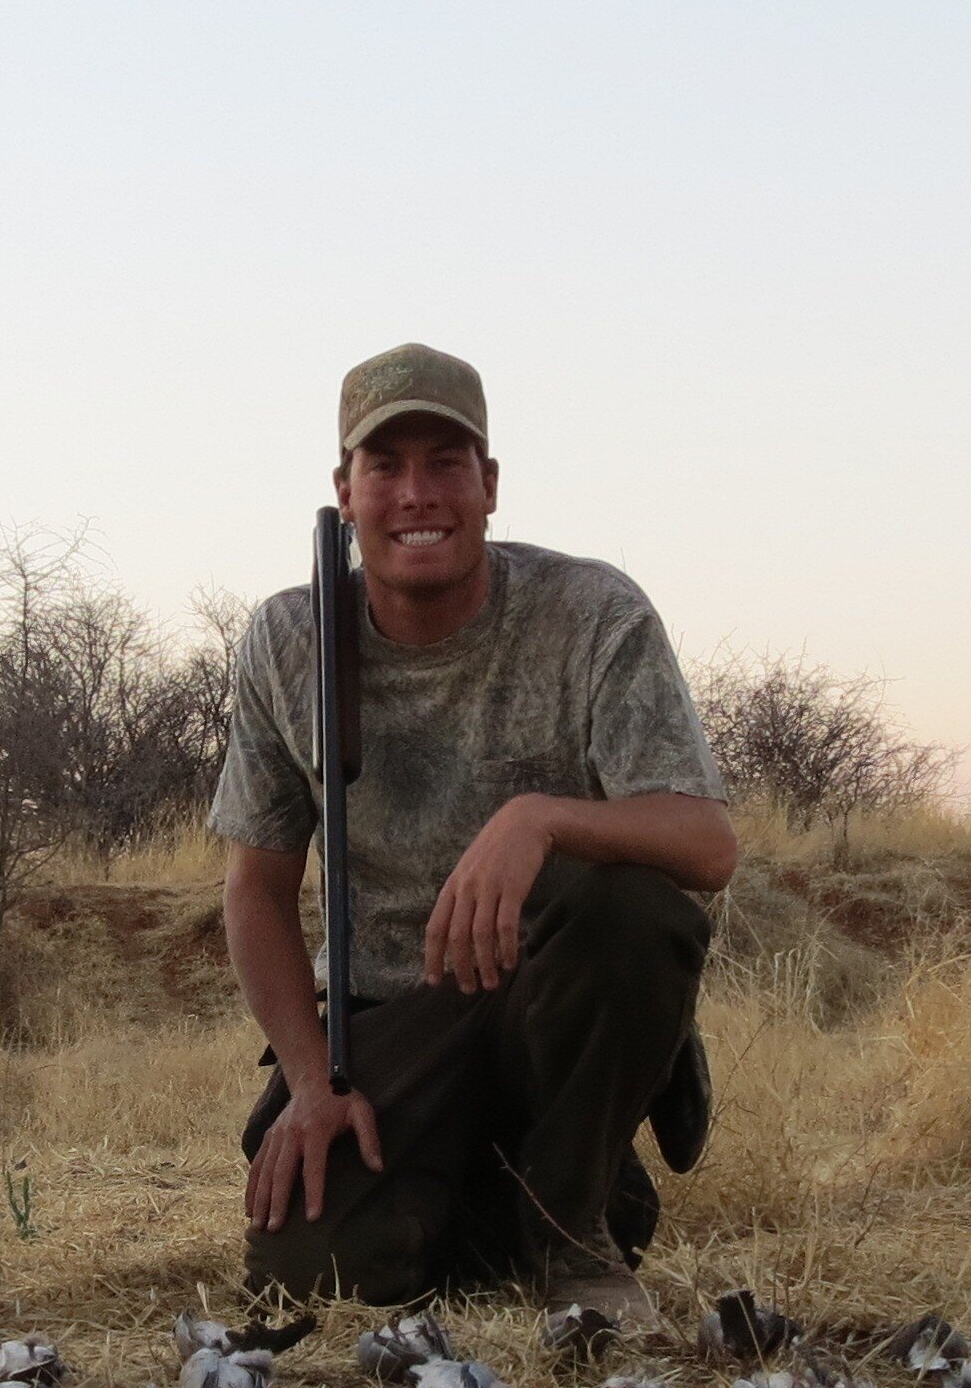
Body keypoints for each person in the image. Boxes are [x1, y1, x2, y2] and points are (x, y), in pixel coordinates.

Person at [211, 342, 736, 1334]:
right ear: (345, 490)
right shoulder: (286, 639)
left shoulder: (591, 612)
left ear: (488, 485)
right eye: (386, 466)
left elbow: (705, 845)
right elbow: (256, 887)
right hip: (386, 1012)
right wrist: (313, 1083)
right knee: (309, 1274)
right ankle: (522, 1188)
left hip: (541, 996)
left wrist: (537, 818)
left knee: (632, 907)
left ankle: (571, 1225)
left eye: (446, 462)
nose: (417, 493)